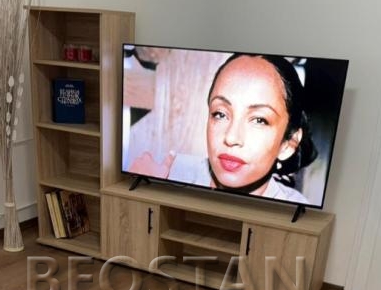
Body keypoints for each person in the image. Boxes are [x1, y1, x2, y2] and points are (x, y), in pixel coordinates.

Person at [129, 53, 318, 204]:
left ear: (288, 144)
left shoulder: (293, 210)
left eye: (259, 120)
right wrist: (145, 193)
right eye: (220, 114)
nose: (231, 137)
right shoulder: (168, 174)